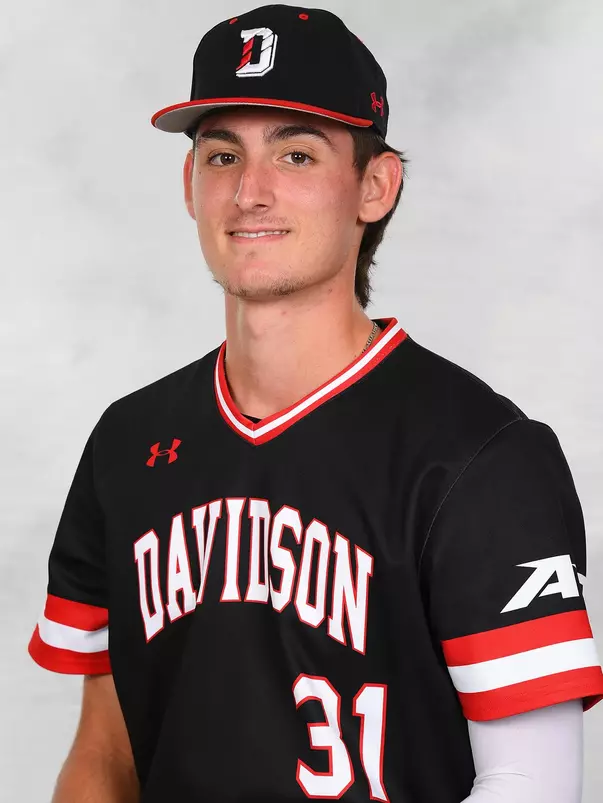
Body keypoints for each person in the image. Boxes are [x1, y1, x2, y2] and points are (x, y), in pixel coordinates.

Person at [29, 5, 603, 802]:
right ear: (189, 185)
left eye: (296, 154)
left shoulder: (482, 454)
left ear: (374, 186)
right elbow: (104, 756)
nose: (250, 192)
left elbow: (529, 784)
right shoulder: (129, 441)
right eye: (222, 154)